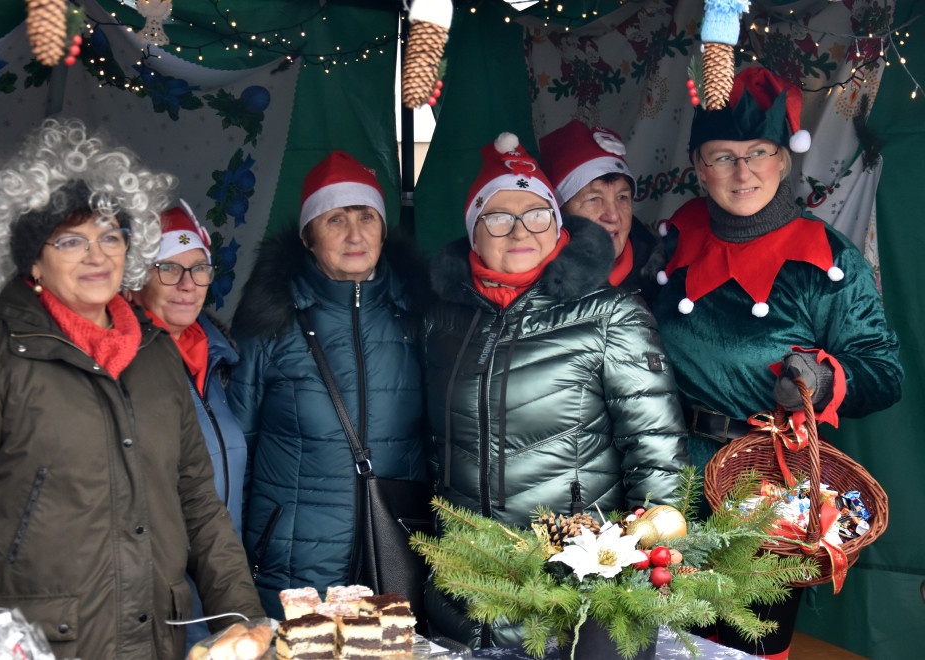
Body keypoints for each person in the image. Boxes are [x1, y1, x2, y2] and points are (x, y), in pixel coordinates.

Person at [0, 118, 264, 660]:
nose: (97, 255)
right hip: (38, 644)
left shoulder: (155, 353)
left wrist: (244, 619)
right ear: (33, 260)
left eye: (110, 236)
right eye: (72, 240)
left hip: (156, 640)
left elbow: (198, 502)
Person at [652, 66, 903, 658]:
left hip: (768, 490)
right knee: (666, 640)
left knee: (749, 645)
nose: (742, 172)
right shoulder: (674, 242)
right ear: (697, 167)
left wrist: (820, 378)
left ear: (784, 160)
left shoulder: (826, 262)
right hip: (668, 478)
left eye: (758, 152)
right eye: (722, 156)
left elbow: (883, 372)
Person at [422, 132, 689, 648]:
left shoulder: (610, 316)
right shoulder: (442, 322)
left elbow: (658, 461)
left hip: (574, 596)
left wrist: (639, 590)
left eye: (537, 213)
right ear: (473, 231)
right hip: (462, 591)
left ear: (559, 223)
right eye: (497, 217)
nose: (519, 230)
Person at [227, 151, 429, 618]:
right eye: (335, 219)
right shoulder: (270, 320)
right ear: (308, 237)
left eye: (366, 217)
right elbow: (237, 447)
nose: (355, 234)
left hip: (393, 554)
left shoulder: (418, 316)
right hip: (292, 564)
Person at [124, 203, 249, 651]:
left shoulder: (220, 360)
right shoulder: (121, 367)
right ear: (135, 279)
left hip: (221, 585)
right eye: (168, 269)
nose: (187, 285)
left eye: (199, 269)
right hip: (157, 600)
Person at [539, 120, 664, 306]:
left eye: (622, 197)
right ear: (559, 213)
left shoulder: (663, 281)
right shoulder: (531, 287)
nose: (613, 216)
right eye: (593, 199)